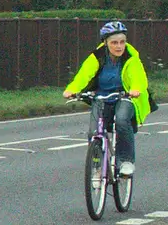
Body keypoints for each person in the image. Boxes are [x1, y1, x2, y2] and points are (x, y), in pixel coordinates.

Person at [63, 20, 152, 176]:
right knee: (93, 131)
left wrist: (135, 89)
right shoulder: (97, 56)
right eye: (114, 42)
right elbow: (84, 75)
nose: (119, 46)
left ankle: (125, 161)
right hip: (102, 97)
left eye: (122, 42)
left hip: (124, 96)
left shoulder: (131, 58)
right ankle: (97, 166)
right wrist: (72, 89)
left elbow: (138, 77)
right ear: (105, 43)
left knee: (122, 120)